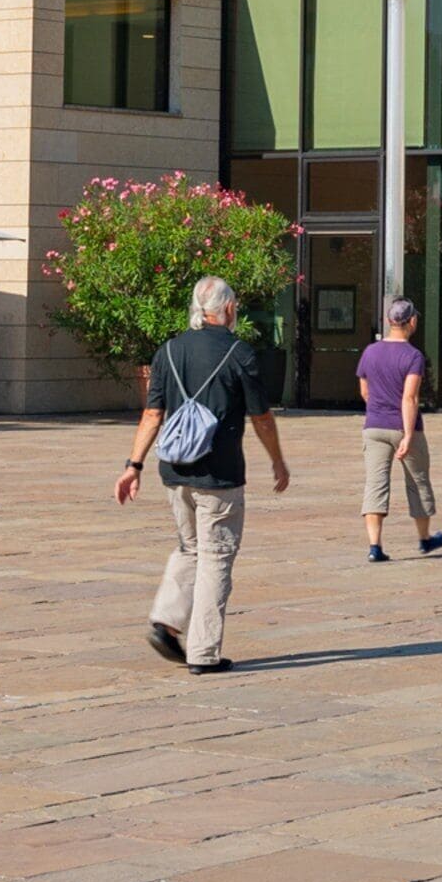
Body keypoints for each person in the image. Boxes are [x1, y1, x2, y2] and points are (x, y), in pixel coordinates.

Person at [117, 276, 289, 674]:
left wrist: (133, 465)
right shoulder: (239, 352)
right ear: (228, 308)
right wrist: (277, 460)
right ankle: (203, 653)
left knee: (190, 548)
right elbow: (261, 417)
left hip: (175, 471)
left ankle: (165, 621)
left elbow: (152, 414)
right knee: (215, 558)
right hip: (220, 474)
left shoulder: (169, 351)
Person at [357, 298, 442, 561]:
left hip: (374, 426)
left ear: (388, 321)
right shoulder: (413, 356)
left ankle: (375, 546)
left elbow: (365, 390)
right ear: (412, 321)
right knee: (418, 482)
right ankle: (425, 540)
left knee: (375, 484)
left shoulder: (370, 352)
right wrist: (406, 435)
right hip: (404, 427)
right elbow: (410, 398)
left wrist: (378, 410)